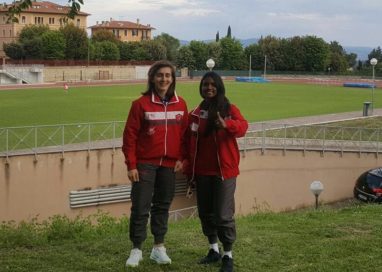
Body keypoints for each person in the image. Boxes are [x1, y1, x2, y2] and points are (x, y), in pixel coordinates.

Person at [122, 60, 188, 268]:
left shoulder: (181, 104)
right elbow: (129, 137)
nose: (164, 79)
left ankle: (159, 248)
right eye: (160, 75)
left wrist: (181, 159)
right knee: (140, 207)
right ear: (152, 78)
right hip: (144, 165)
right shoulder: (140, 104)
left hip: (169, 165)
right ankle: (136, 249)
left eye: (168, 75)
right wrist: (131, 165)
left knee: (162, 206)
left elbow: (185, 136)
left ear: (173, 79)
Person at [184, 71, 248, 272]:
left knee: (222, 215)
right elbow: (187, 142)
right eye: (205, 85)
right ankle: (213, 250)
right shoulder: (195, 113)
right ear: (201, 88)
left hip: (224, 172)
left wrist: (226, 124)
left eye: (213, 84)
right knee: (206, 213)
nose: (209, 88)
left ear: (219, 87)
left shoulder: (229, 109)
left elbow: (243, 127)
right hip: (202, 172)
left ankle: (227, 255)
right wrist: (188, 170)